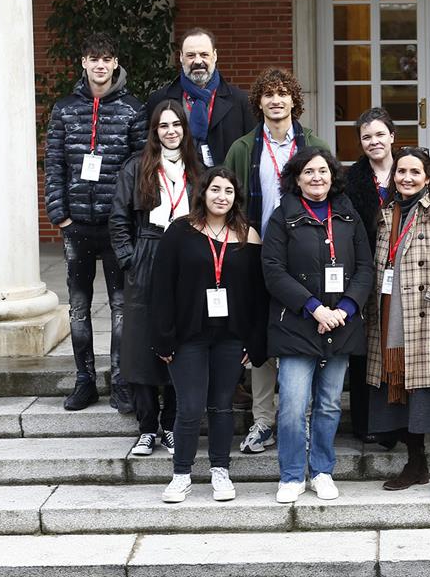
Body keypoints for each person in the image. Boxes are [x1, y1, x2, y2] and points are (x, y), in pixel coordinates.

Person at [224, 67, 330, 455]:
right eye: (268, 94)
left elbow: (328, 195)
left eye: (283, 93)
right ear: (259, 102)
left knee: (301, 334)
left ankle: (299, 418)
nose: (276, 100)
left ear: (294, 100)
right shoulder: (243, 148)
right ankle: (264, 420)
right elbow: (227, 199)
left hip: (303, 256)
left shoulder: (314, 145)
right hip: (256, 251)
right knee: (261, 335)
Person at [148, 167, 267, 503]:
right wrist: (163, 337)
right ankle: (181, 474)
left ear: (236, 198)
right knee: (189, 407)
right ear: (203, 192)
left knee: (221, 406)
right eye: (215, 189)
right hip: (188, 336)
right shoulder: (179, 232)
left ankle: (220, 470)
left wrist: (255, 341)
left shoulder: (248, 236)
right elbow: (161, 288)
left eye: (228, 191)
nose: (221, 197)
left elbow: (258, 295)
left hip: (231, 336)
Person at [264, 148, 375, 502]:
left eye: (323, 171)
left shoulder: (348, 214)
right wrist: (313, 308)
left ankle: (323, 470)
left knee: (328, 404)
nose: (317, 177)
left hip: (341, 323)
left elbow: (365, 268)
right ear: (296, 178)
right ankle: (292, 475)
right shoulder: (283, 216)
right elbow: (273, 271)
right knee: (295, 404)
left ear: (333, 175)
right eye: (309, 172)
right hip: (297, 323)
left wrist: (345, 307)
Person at [45, 32, 147, 412]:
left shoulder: (133, 110)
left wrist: (130, 217)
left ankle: (120, 381)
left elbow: (141, 167)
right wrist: (61, 214)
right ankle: (84, 379)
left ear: (115, 63)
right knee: (78, 307)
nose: (100, 65)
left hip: (116, 225)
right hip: (78, 227)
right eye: (93, 58)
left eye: (106, 58)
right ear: (83, 63)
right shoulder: (65, 108)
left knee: (121, 307)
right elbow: (53, 162)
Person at [366, 147, 430, 498]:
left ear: (428, 178)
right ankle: (416, 463)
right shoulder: (384, 214)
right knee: (400, 390)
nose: (406, 178)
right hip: (390, 313)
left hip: (425, 317)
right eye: (401, 172)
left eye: (414, 172)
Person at [109, 100, 202, 457]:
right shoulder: (137, 167)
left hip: (187, 252)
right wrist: (130, 259)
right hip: (147, 250)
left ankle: (171, 423)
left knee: (182, 337)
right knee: (141, 341)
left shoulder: (198, 169)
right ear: (154, 131)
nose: (170, 131)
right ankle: (147, 427)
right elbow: (118, 219)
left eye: (176, 124)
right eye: (163, 126)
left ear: (184, 128)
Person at [343, 107, 396, 445]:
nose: (374, 141)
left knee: (398, 346)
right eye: (366, 137)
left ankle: (398, 424)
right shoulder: (350, 181)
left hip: (407, 272)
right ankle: (366, 423)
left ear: (392, 136)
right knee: (365, 350)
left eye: (379, 134)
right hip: (366, 272)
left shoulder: (413, 169)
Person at [145, 27, 255, 167]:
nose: (198, 61)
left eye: (204, 54)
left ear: (215, 56)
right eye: (191, 55)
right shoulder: (158, 101)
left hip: (224, 185)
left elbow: (250, 154)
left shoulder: (241, 102)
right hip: (176, 184)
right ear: (181, 57)